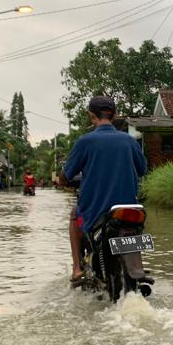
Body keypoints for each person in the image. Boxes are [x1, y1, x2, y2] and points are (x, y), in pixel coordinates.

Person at [64, 96, 147, 282]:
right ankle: (135, 264)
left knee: (74, 214)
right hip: (130, 210)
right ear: (114, 115)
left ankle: (77, 268)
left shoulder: (85, 141)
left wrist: (64, 180)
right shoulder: (130, 141)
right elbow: (142, 170)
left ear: (91, 116)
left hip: (94, 213)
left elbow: (66, 175)